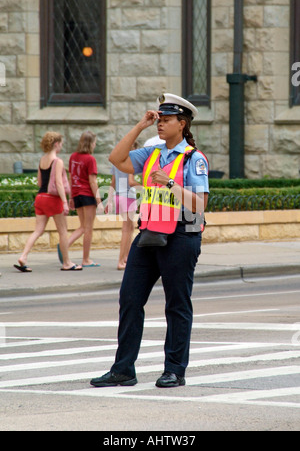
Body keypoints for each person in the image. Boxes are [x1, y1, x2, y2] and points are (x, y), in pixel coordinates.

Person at [90, 93, 209, 389]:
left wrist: (169, 183)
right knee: (129, 299)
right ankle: (123, 369)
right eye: (159, 119)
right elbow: (116, 158)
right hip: (150, 233)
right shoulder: (151, 154)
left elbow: (200, 205)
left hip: (182, 236)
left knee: (176, 305)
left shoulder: (194, 159)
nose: (161, 124)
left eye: (166, 120)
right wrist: (140, 126)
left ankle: (174, 370)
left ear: (182, 124)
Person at [14, 131, 82, 273]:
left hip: (40, 198)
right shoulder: (57, 161)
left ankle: (23, 256)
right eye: (61, 144)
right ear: (56, 144)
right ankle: (67, 262)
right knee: (63, 232)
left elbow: (40, 182)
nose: (61, 147)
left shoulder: (42, 160)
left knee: (38, 230)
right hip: (53, 199)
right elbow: (58, 182)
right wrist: (64, 202)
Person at [59, 131, 103, 267]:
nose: (95, 145)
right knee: (88, 228)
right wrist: (99, 201)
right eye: (94, 142)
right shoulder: (90, 159)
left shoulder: (73, 156)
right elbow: (92, 182)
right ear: (90, 143)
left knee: (83, 226)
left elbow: (71, 178)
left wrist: (71, 197)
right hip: (88, 196)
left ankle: (64, 245)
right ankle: (86, 259)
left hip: (77, 194)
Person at [106, 143, 140, 270]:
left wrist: (109, 200)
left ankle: (126, 257)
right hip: (128, 197)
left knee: (129, 228)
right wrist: (145, 188)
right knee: (127, 229)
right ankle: (121, 261)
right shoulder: (130, 162)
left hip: (118, 196)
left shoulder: (117, 162)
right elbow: (131, 182)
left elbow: (112, 183)